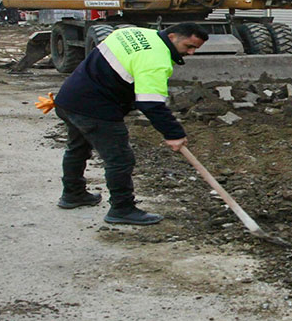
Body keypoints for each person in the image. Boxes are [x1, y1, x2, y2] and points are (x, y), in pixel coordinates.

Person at [52, 23, 209, 225]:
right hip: (95, 109)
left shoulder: (133, 33)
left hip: (69, 98)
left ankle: (73, 194)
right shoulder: (156, 59)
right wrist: (173, 133)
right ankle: (122, 208)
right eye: (189, 46)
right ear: (172, 37)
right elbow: (150, 103)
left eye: (195, 48)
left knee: (78, 147)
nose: (191, 53)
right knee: (120, 159)